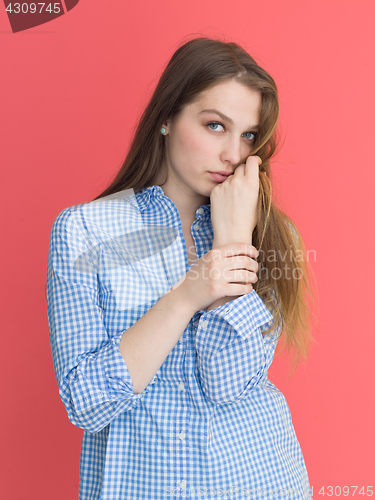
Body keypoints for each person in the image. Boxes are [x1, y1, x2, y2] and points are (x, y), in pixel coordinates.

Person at [46, 37, 316, 500]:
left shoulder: (271, 236)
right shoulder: (86, 230)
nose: (233, 154)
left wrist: (233, 242)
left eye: (249, 136)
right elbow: (88, 404)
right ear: (168, 117)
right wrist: (189, 294)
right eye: (215, 125)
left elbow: (226, 384)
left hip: (261, 481)